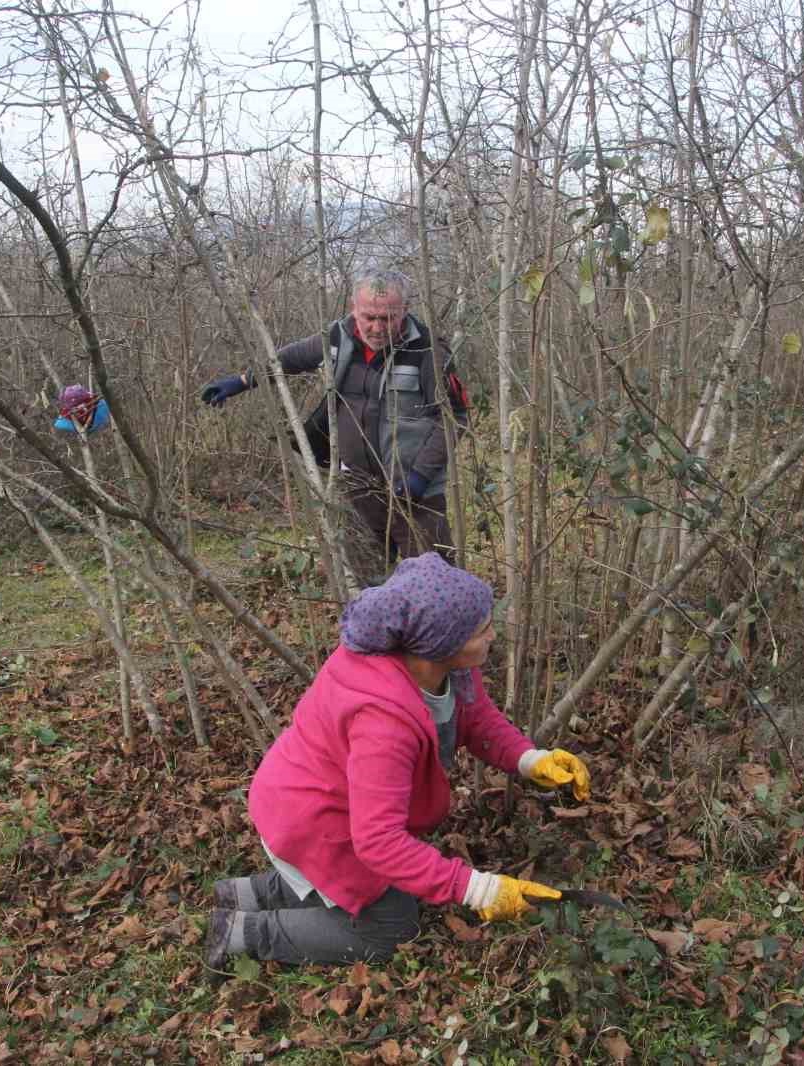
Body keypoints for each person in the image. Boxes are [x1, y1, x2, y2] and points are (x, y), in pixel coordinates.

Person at [205, 552, 592, 968]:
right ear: (442, 644)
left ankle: (246, 893)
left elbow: (475, 716)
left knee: (393, 889)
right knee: (390, 926)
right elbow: (379, 841)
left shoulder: (447, 668)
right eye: (483, 630)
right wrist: (478, 890)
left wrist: (530, 759)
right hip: (311, 820)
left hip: (330, 806)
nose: (492, 635)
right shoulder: (382, 722)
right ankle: (240, 933)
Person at [200, 269, 469, 581]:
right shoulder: (339, 337)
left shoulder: (428, 352)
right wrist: (244, 380)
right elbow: (289, 358)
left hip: (414, 496)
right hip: (356, 489)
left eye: (388, 318)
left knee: (436, 585)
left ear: (404, 312)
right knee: (367, 584)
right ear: (354, 308)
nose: (377, 327)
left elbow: (455, 418)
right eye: (369, 317)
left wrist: (420, 476)